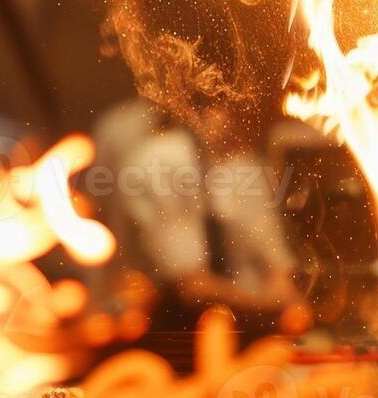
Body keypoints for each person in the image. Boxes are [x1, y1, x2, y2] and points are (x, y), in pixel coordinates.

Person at [92, 94, 302, 331]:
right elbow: (192, 288)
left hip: (243, 326)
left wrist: (284, 299)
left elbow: (278, 269)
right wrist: (267, 305)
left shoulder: (240, 164)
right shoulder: (162, 161)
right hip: (161, 329)